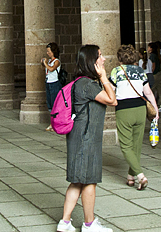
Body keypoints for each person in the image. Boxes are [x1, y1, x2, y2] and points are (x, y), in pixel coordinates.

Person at [57, 45, 116, 232]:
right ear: (92, 60)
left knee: (77, 181)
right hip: (86, 138)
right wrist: (104, 76)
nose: (104, 59)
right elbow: (112, 100)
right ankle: (89, 224)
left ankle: (65, 222)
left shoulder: (81, 82)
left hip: (79, 136)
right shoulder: (88, 85)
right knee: (89, 180)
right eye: (100, 56)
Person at [110, 45, 159, 190]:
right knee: (137, 145)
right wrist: (155, 110)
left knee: (126, 146)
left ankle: (140, 176)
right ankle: (131, 176)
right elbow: (148, 92)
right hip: (140, 109)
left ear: (120, 58)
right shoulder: (139, 71)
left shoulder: (116, 71)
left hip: (124, 110)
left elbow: (111, 91)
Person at [44, 42, 62, 131]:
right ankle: (52, 122)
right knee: (50, 104)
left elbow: (51, 69)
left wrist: (45, 64)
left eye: (49, 51)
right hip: (48, 82)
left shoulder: (56, 61)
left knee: (55, 103)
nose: (48, 53)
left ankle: (55, 123)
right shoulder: (50, 61)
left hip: (54, 83)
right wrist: (44, 63)